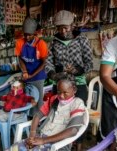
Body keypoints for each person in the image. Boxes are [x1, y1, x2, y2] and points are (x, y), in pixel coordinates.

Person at [45, 10, 93, 150]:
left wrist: (77, 70)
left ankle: (77, 146)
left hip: (78, 85)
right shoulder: (54, 42)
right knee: (59, 116)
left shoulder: (82, 40)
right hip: (60, 86)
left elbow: (89, 63)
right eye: (59, 28)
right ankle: (61, 145)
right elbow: (48, 63)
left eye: (65, 27)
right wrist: (53, 74)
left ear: (72, 25)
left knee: (79, 117)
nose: (62, 31)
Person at [10, 78, 86, 151]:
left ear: (74, 90)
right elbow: (37, 116)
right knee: (14, 148)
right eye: (59, 92)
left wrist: (43, 140)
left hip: (57, 143)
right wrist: (32, 135)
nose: (62, 96)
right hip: (41, 136)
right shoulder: (54, 99)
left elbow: (73, 130)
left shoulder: (77, 103)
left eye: (65, 93)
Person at [15, 17, 48, 114]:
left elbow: (44, 62)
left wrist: (32, 75)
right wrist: (25, 71)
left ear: (35, 33)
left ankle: (38, 121)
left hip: (38, 75)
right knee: (27, 99)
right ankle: (28, 120)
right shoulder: (20, 42)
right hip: (27, 75)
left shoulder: (41, 44)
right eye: (25, 35)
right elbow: (20, 58)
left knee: (37, 100)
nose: (27, 37)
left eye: (29, 35)